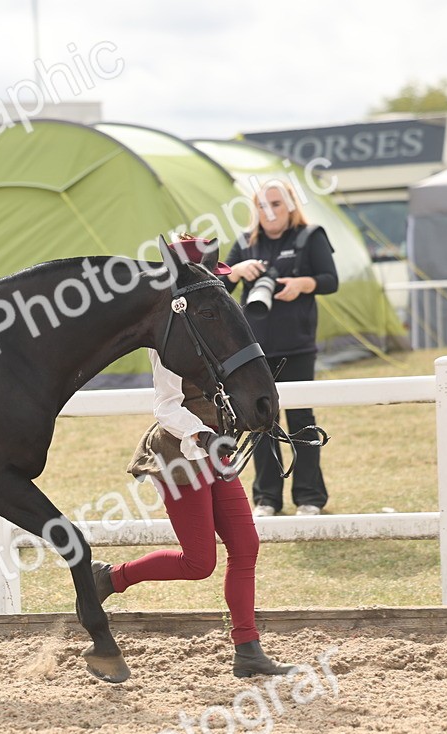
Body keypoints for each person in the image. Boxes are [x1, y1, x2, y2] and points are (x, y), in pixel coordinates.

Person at [92, 236, 294, 677]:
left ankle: (247, 650)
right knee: (199, 562)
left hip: (215, 449)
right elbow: (166, 407)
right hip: (180, 453)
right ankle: (110, 578)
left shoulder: (212, 323)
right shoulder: (168, 339)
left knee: (245, 546)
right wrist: (202, 436)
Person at [225, 181, 339, 516]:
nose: (269, 211)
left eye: (276, 203)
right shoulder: (245, 242)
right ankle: (266, 499)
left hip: (297, 347)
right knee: (260, 421)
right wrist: (236, 271)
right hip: (253, 352)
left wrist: (303, 284)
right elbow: (218, 286)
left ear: (290, 205)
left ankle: (309, 497)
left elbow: (330, 280)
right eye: (262, 205)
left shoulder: (310, 236)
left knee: (301, 419)